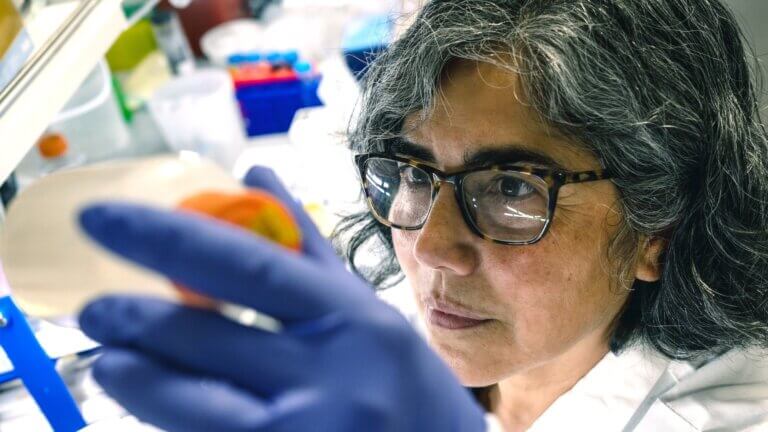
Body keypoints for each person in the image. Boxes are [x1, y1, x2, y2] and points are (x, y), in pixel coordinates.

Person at [77, 0, 768, 430]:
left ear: (658, 227)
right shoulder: (396, 310)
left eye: (513, 188)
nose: (431, 246)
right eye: (412, 171)